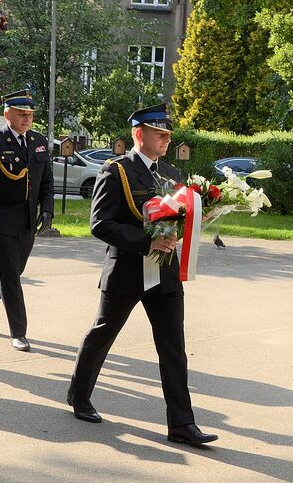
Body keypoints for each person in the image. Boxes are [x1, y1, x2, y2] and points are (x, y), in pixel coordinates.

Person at [67, 103, 219, 447]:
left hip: (164, 273)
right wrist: (147, 240)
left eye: (168, 134)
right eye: (159, 133)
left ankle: (181, 425)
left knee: (173, 347)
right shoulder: (116, 170)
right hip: (127, 269)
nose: (166, 139)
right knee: (103, 333)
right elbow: (101, 224)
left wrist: (191, 226)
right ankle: (79, 394)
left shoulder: (172, 174)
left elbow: (179, 218)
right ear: (140, 133)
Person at [0, 89, 54, 352]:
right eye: (21, 114)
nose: (27, 119)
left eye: (29, 114)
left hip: (26, 219)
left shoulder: (38, 141)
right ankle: (19, 332)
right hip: (1, 217)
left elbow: (46, 181)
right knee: (11, 278)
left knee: (14, 272)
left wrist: (47, 210)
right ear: (8, 114)